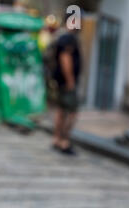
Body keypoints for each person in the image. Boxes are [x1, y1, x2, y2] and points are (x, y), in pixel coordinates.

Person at [52, 17, 82, 155]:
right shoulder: (68, 38)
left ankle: (57, 139)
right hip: (66, 83)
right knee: (71, 112)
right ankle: (64, 141)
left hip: (61, 82)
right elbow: (65, 59)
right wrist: (70, 81)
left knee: (61, 110)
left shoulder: (62, 36)